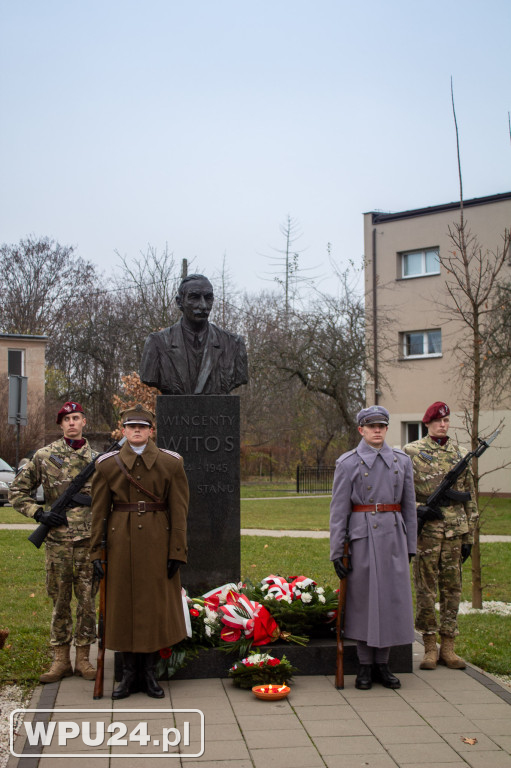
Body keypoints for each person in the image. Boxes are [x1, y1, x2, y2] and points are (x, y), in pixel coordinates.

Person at [90, 404, 189, 699]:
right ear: (122, 430)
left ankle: (149, 673)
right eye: (131, 426)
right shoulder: (107, 465)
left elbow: (180, 511)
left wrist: (177, 551)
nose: (136, 431)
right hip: (119, 543)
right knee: (123, 607)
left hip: (159, 542)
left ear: (151, 431)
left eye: (142, 427)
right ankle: (128, 674)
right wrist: (96, 553)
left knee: (154, 608)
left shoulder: (171, 463)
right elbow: (99, 513)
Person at [330, 405, 417, 690]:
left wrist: (411, 545)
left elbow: (409, 508)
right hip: (361, 537)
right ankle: (365, 666)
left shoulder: (402, 461)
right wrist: (336, 551)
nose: (377, 430)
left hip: (393, 536)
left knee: (391, 600)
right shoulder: (348, 463)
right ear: (361, 430)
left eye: (382, 426)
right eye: (371, 426)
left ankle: (384, 665)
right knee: (364, 602)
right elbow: (339, 510)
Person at [9, 401, 97, 683]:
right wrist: (39, 514)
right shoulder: (44, 457)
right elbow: (17, 492)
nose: (71, 422)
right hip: (57, 543)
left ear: (84, 423)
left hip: (88, 543)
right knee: (60, 602)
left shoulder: (98, 460)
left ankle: (84, 659)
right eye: (66, 419)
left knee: (87, 602)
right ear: (60, 425)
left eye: (76, 418)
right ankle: (60, 660)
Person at [404, 401, 478, 670]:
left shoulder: (461, 453)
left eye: (446, 421)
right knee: (425, 589)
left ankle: (449, 646)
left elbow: (469, 495)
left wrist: (469, 535)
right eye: (437, 421)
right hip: (427, 532)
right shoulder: (412, 452)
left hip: (456, 530)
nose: (442, 425)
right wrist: (418, 509)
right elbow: (402, 492)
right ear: (427, 423)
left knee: (452, 589)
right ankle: (429, 647)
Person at [139, 273, 248, 395]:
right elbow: (149, 377)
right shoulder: (157, 343)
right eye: (194, 297)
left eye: (208, 298)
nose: (203, 305)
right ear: (179, 302)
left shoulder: (234, 344)